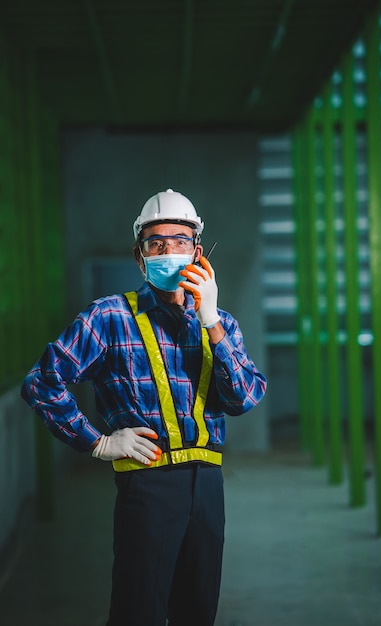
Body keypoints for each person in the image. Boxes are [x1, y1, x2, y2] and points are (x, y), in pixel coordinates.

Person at [21, 188, 267, 626]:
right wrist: (96, 443)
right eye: (157, 244)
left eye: (179, 241)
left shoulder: (222, 323)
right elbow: (42, 381)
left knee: (198, 612)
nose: (169, 251)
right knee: (140, 611)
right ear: (140, 257)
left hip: (208, 485)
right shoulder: (109, 316)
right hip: (148, 487)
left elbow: (244, 397)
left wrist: (210, 320)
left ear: (198, 252)